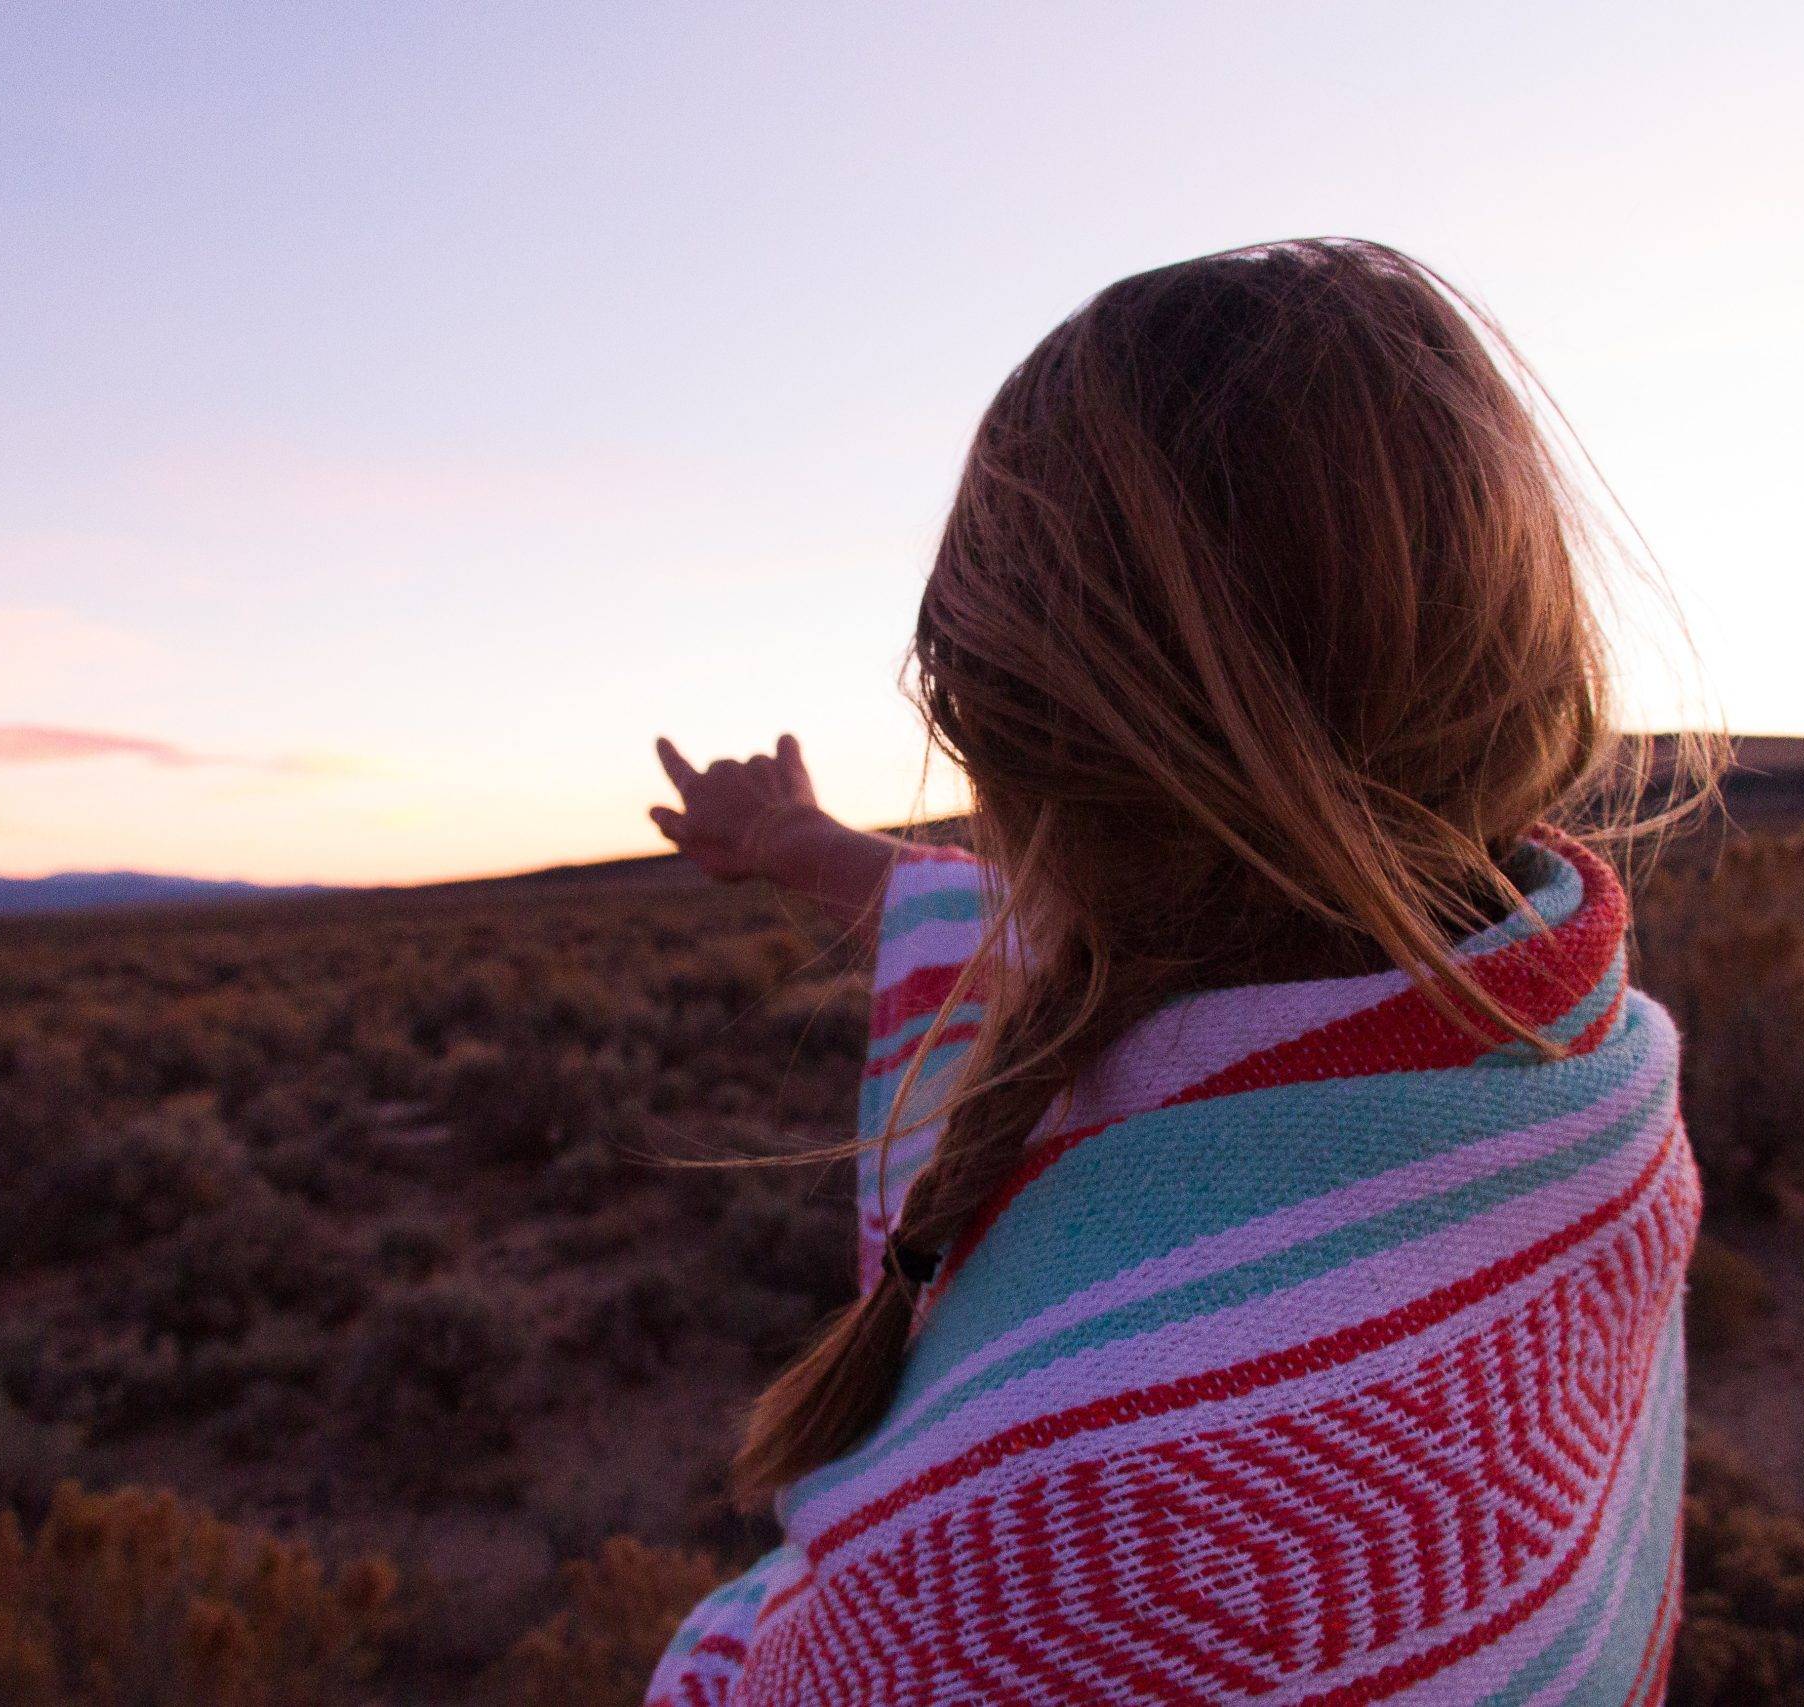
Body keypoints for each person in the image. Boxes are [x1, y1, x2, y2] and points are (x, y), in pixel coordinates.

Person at [643, 238, 1710, 1705]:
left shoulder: (1045, 1577)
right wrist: (810, 847)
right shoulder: (1578, 1061)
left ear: (991, 733)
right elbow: (1099, 906)